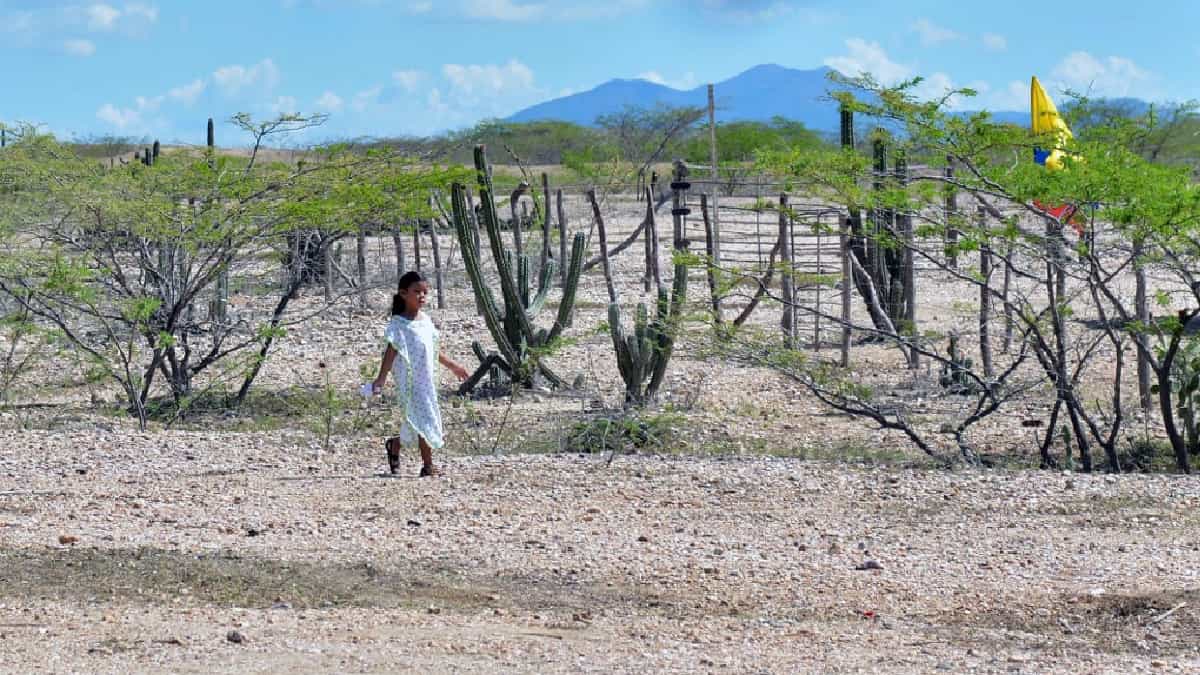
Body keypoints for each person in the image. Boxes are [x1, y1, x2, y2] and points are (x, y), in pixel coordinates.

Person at [370, 272, 469, 477]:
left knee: (416, 422)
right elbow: (390, 353)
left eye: (425, 292)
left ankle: (395, 445)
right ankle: (428, 466)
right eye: (417, 292)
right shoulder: (399, 324)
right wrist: (381, 379)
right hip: (410, 382)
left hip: (427, 381)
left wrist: (453, 366)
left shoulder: (425, 321)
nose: (422, 296)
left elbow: (433, 350)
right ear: (404, 294)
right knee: (425, 419)